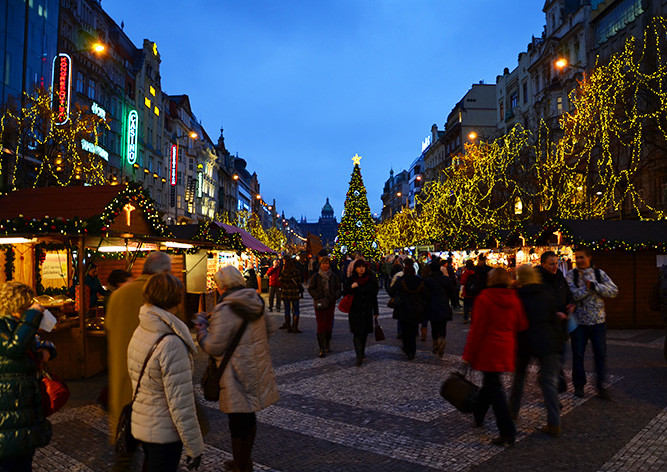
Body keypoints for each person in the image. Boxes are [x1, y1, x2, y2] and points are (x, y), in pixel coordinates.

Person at [196, 266, 279, 472]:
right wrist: (253, 345)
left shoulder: (224, 309)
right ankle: (245, 461)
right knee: (249, 416)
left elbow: (214, 346)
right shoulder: (255, 300)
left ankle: (241, 465)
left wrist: (201, 330)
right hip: (256, 368)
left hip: (235, 373)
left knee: (237, 421)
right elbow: (271, 327)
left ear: (222, 286)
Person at [127, 273, 203, 472]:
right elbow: (181, 402)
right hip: (164, 432)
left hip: (144, 423)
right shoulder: (171, 343)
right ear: (175, 299)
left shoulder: (142, 329)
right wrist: (194, 446)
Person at [105, 251, 172, 471]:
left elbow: (110, 330)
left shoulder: (119, 295)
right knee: (156, 452)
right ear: (161, 273)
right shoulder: (163, 297)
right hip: (154, 388)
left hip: (124, 383)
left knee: (125, 448)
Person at [462, 268, 528, 447]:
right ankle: (479, 414)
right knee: (490, 383)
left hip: (488, 349)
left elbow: (477, 330)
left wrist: (468, 355)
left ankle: (507, 431)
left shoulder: (484, 298)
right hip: (506, 348)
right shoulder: (513, 298)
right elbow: (521, 324)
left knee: (495, 388)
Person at [0, 282, 53, 471]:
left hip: (23, 410)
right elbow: (14, 348)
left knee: (23, 463)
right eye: (27, 304)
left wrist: (47, 348)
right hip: (6, 413)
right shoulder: (3, 325)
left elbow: (32, 343)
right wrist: (33, 315)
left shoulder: (20, 325)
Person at [509, 265, 563, 438]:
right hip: (547, 342)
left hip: (525, 342)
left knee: (518, 380)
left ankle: (512, 413)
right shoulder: (546, 294)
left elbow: (514, 322)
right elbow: (554, 319)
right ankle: (554, 423)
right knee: (549, 382)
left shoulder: (517, 296)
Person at [566, 247, 618, 399]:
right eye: (577, 257)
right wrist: (586, 289)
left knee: (600, 355)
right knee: (578, 356)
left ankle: (601, 386)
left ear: (589, 258)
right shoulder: (571, 275)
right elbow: (572, 295)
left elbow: (614, 291)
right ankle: (579, 386)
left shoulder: (599, 274)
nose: (579, 260)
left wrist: (595, 286)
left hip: (598, 322)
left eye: (582, 257)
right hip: (579, 324)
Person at [537, 251, 574, 393]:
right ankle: (551, 392)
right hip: (546, 328)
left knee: (561, 357)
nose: (555, 267)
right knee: (552, 361)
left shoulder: (559, 277)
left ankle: (549, 381)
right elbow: (538, 304)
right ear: (543, 264)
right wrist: (554, 313)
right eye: (551, 264)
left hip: (561, 327)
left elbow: (568, 294)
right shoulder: (538, 279)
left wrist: (570, 304)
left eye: (556, 264)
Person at [387, 262, 430, 360]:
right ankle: (412, 351)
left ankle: (407, 348)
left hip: (403, 308)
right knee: (413, 330)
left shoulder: (401, 280)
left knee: (405, 330)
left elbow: (391, 291)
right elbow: (427, 295)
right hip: (416, 308)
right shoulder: (420, 281)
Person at [343, 260, 379, 366]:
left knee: (364, 333)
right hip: (355, 310)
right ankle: (358, 355)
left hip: (367, 310)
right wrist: (351, 287)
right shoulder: (351, 280)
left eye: (363, 267)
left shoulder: (371, 280)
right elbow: (344, 293)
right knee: (357, 332)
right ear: (355, 268)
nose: (361, 269)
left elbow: (373, 297)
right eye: (359, 267)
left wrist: (375, 311)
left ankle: (362, 350)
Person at [308, 256, 342, 357]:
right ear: (320, 265)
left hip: (330, 303)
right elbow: (311, 289)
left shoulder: (334, 276)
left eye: (327, 263)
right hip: (319, 303)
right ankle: (321, 347)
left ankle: (327, 343)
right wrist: (317, 296)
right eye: (323, 263)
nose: (325, 265)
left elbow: (338, 288)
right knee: (321, 325)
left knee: (328, 324)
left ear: (329, 264)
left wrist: (334, 296)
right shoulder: (316, 276)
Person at [423, 260, 455, 357]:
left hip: (432, 305)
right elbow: (452, 293)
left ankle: (435, 343)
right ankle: (442, 340)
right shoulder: (446, 279)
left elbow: (424, 294)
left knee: (434, 325)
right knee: (442, 325)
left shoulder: (427, 281)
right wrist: (453, 303)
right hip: (444, 304)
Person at [279, 256, 303, 333]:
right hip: (294, 292)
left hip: (286, 293)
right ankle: (295, 326)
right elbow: (299, 281)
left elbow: (281, 282)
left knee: (287, 310)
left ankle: (288, 326)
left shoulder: (284, 272)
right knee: (296, 310)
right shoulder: (296, 271)